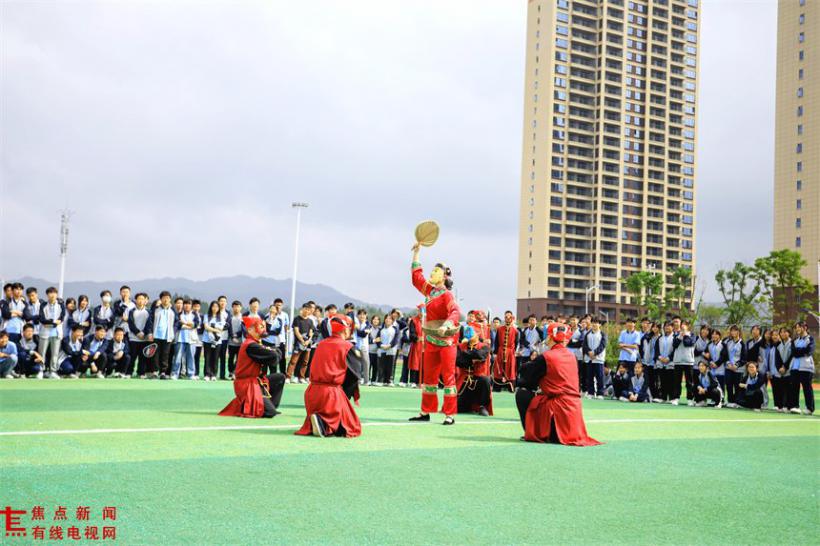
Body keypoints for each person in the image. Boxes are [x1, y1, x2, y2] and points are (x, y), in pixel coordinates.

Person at [515, 322, 601, 446]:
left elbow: (527, 379)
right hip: (574, 415)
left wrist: (519, 378)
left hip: (557, 412)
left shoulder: (546, 357)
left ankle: (532, 431)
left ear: (550, 337)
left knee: (522, 394)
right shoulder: (572, 357)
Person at [408, 242, 461, 425]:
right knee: (429, 378)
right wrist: (416, 253)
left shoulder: (447, 295)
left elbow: (455, 311)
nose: (432, 273)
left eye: (436, 271)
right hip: (431, 339)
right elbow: (417, 278)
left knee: (448, 377)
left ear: (444, 276)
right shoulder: (430, 292)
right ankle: (426, 411)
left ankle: (449, 414)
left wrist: (447, 324)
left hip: (446, 341)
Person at [295, 314, 365, 437]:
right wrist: (344, 397)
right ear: (345, 329)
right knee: (352, 426)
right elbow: (354, 377)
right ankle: (322, 422)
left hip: (312, 392)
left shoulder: (320, 344)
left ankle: (317, 420)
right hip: (330, 394)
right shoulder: (348, 347)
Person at [219, 316, 285, 419]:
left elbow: (277, 354)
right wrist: (274, 351)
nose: (263, 329)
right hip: (247, 384)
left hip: (256, 381)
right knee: (270, 413)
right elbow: (274, 356)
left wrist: (274, 352)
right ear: (250, 330)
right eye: (260, 327)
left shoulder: (257, 343)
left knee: (280, 377)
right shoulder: (251, 345)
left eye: (263, 326)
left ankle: (270, 404)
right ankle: (256, 405)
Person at [455, 326, 493, 416]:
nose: (469, 339)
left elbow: (480, 355)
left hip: (478, 377)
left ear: (477, 335)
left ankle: (482, 406)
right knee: (457, 408)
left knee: (486, 380)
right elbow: (458, 361)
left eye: (471, 336)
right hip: (464, 379)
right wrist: (472, 359)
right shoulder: (460, 346)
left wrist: (465, 354)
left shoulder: (485, 346)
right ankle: (466, 406)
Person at [37, 287, 66, 379]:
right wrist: (53, 322)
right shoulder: (43, 305)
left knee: (55, 354)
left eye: (54, 293)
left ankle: (53, 371)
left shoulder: (61, 305)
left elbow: (61, 318)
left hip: (56, 333)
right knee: (42, 353)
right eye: (50, 293)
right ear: (47, 295)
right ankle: (41, 370)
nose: (52, 295)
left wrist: (49, 322)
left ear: (56, 294)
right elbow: (42, 319)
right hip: (44, 333)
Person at [789, 321, 815, 415]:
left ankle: (809, 408)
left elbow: (809, 351)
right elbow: (793, 352)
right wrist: (801, 351)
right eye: (796, 327)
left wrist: (798, 351)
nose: (797, 329)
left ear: (805, 328)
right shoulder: (794, 340)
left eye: (799, 327)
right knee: (794, 388)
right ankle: (795, 406)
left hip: (806, 368)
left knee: (807, 388)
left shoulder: (810, 339)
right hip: (794, 367)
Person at [151, 291, 178, 379]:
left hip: (167, 336)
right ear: (161, 299)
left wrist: (173, 332)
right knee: (155, 354)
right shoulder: (156, 310)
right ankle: (155, 372)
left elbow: (177, 322)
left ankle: (163, 372)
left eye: (167, 298)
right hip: (156, 335)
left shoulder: (172, 310)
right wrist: (150, 333)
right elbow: (150, 321)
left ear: (170, 299)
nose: (166, 300)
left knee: (165, 355)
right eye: (164, 298)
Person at [172, 299, 199, 380]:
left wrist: (184, 323)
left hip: (191, 339)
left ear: (191, 306)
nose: (187, 305)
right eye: (185, 304)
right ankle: (175, 374)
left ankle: (191, 374)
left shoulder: (194, 314)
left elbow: (196, 324)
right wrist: (189, 325)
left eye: (189, 304)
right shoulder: (179, 314)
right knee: (177, 357)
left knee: (191, 357)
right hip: (180, 339)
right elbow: (177, 325)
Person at [127, 292, 153, 378]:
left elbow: (149, 324)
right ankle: (129, 373)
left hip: (144, 338)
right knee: (132, 356)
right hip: (133, 338)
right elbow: (131, 324)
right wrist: (138, 332)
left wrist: (144, 333)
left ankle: (141, 373)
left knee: (143, 357)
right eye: (139, 299)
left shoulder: (149, 312)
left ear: (145, 300)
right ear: (136, 300)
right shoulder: (132, 311)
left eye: (142, 299)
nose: (141, 301)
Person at [288, 303, 315, 383]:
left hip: (307, 344)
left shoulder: (310, 321)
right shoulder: (297, 319)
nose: (307, 311)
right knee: (293, 361)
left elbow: (311, 333)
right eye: (305, 309)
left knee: (305, 361)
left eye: (308, 309)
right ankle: (288, 377)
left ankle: (301, 377)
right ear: (302, 309)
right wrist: (302, 341)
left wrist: (308, 341)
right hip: (298, 344)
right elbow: (296, 331)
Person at [493, 311, 519, 392]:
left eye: (509, 317)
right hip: (500, 351)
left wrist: (513, 352)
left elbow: (516, 343)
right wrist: (495, 353)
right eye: (506, 317)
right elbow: (496, 342)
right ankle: (497, 388)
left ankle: (510, 388)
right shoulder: (500, 329)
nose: (507, 318)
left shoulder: (515, 331)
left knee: (510, 369)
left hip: (510, 352)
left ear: (512, 318)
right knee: (499, 368)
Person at [671, 320, 695, 405]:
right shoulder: (676, 335)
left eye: (685, 325)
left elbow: (687, 343)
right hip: (678, 361)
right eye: (682, 324)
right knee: (677, 381)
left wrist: (685, 335)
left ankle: (690, 398)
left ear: (688, 326)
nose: (683, 326)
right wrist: (680, 336)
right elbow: (674, 344)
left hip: (688, 362)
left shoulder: (692, 335)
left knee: (689, 382)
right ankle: (676, 398)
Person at [582, 317, 607, 399]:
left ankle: (600, 393)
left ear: (599, 324)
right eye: (593, 322)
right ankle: (591, 393)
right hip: (589, 358)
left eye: (596, 323)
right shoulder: (588, 334)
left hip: (599, 359)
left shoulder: (602, 334)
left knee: (600, 377)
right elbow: (584, 345)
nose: (594, 324)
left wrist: (595, 353)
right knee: (589, 376)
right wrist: (589, 352)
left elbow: (602, 345)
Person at [202, 301, 226, 382]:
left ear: (219, 308)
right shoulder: (206, 316)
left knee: (215, 358)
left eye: (216, 306)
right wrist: (216, 329)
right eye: (213, 306)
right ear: (211, 307)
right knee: (207, 357)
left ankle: (213, 374)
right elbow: (206, 327)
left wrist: (212, 327)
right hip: (207, 340)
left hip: (217, 341)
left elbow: (222, 328)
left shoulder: (221, 317)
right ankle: (207, 374)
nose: (215, 308)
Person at [723, 325, 746, 408]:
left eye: (735, 330)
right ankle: (730, 401)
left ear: (739, 332)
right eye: (732, 330)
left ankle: (736, 401)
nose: (733, 332)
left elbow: (744, 359)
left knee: (737, 386)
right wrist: (728, 363)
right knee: (729, 385)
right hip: (728, 367)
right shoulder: (728, 342)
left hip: (738, 369)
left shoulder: (742, 344)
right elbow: (725, 355)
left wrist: (736, 365)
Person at [771, 327, 793, 412]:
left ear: (789, 333)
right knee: (782, 389)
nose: (783, 334)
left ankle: (788, 406)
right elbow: (777, 359)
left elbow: (791, 356)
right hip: (781, 371)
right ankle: (782, 406)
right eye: (781, 332)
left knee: (789, 389)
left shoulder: (792, 343)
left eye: (785, 332)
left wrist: (785, 367)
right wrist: (779, 368)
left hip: (789, 370)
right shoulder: (779, 345)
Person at [654, 322, 675, 403]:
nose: (667, 327)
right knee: (662, 381)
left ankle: (672, 398)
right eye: (665, 326)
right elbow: (656, 350)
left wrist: (668, 358)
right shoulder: (660, 338)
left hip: (671, 363)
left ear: (672, 327)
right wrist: (660, 358)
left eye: (669, 326)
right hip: (661, 363)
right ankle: (663, 398)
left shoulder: (675, 338)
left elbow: (675, 350)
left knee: (671, 381)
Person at [376, 314, 400, 386]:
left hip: (391, 350)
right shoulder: (381, 330)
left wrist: (390, 345)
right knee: (381, 366)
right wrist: (381, 345)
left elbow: (396, 339)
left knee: (390, 366)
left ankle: (389, 381)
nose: (388, 320)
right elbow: (377, 339)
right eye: (386, 318)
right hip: (382, 350)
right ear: (384, 320)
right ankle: (381, 381)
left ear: (392, 320)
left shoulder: (395, 329)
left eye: (389, 318)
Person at [567, 316, 587, 393]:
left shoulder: (581, 331)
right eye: (571, 320)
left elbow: (580, 343)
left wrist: (571, 342)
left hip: (578, 355)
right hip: (568, 354)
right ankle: (568, 387)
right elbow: (566, 341)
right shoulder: (568, 330)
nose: (573, 321)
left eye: (574, 320)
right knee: (568, 372)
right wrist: (573, 341)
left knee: (578, 372)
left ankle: (577, 388)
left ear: (578, 321)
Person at [225, 300, 244, 380]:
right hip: (231, 342)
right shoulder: (230, 317)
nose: (236, 308)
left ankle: (234, 372)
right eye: (234, 307)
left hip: (240, 342)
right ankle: (230, 372)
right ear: (232, 308)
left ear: (241, 308)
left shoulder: (243, 318)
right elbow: (228, 328)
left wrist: (237, 335)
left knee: (239, 359)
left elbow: (243, 329)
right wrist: (233, 337)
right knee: (231, 358)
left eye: (238, 307)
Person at [367, 314, 381, 384]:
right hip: (369, 350)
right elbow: (367, 339)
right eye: (374, 319)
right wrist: (374, 340)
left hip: (377, 351)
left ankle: (374, 380)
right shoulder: (368, 328)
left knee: (376, 367)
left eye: (377, 319)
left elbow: (381, 340)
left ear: (379, 321)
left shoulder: (380, 330)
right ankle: (367, 379)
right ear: (372, 320)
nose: (375, 320)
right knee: (368, 366)